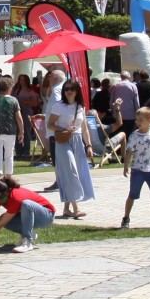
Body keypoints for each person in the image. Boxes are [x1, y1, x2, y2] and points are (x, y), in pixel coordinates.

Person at [48, 78, 94, 218]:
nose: (69, 92)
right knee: (71, 171)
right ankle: (76, 208)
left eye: (72, 89)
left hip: (78, 141)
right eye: (66, 89)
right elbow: (50, 124)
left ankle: (66, 208)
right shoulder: (58, 105)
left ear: (76, 91)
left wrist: (89, 145)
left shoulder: (81, 106)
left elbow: (84, 128)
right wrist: (65, 128)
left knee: (76, 173)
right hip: (63, 141)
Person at [0, 176, 53, 254]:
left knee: (26, 204)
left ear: (5, 192)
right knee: (3, 218)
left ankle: (27, 240)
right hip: (30, 216)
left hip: (47, 215)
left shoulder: (15, 197)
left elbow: (1, 224)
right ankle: (30, 233)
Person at [0, 77, 20, 180]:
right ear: (10, 87)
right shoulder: (13, 100)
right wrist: (21, 131)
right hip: (10, 131)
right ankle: (9, 176)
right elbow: (18, 117)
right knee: (9, 154)